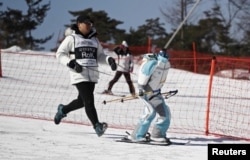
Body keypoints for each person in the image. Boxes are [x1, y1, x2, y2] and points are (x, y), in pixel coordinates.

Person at [54, 15, 117, 137]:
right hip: (78, 75)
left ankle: (63, 110)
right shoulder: (71, 39)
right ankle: (97, 126)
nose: (88, 25)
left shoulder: (95, 40)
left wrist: (109, 60)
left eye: (90, 23)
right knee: (89, 100)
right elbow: (60, 54)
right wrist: (71, 63)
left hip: (92, 75)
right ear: (78, 24)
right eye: (86, 23)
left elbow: (100, 56)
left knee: (82, 101)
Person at [127, 50, 172, 144]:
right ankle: (141, 135)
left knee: (161, 113)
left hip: (156, 93)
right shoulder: (153, 63)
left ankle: (150, 135)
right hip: (148, 93)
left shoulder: (164, 64)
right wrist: (141, 89)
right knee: (154, 113)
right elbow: (143, 78)